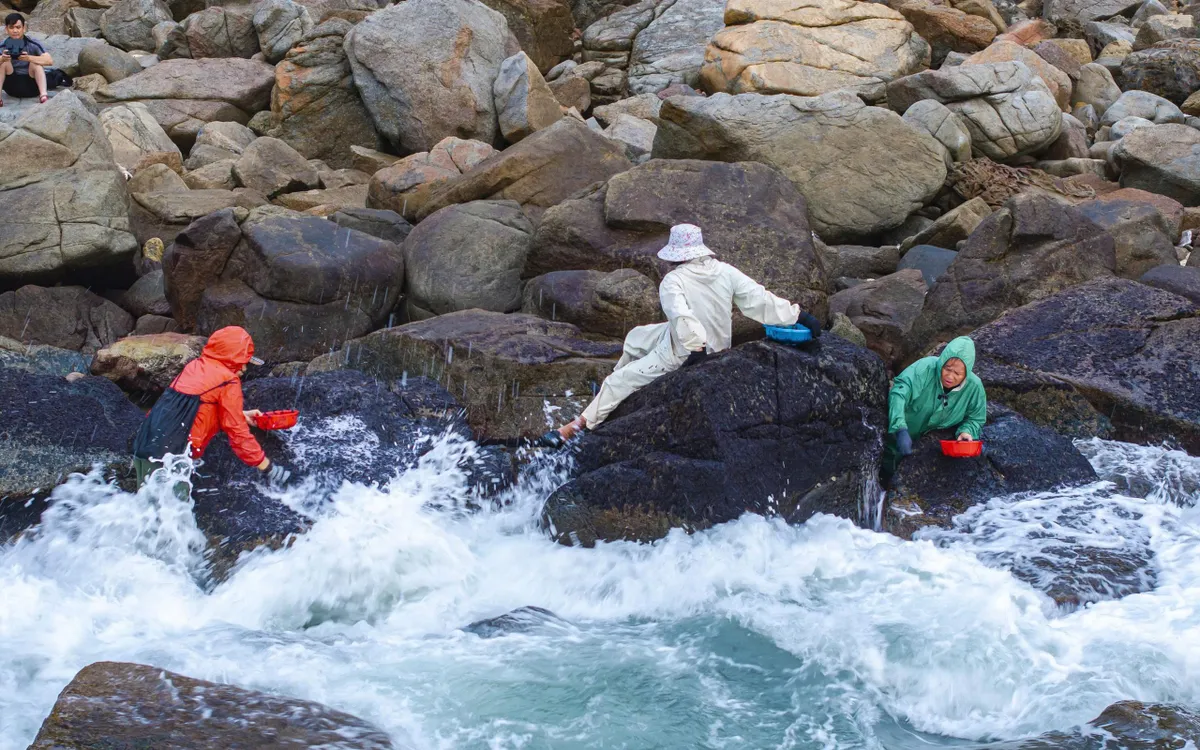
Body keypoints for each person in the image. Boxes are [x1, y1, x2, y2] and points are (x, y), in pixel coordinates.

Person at [541, 223, 822, 446]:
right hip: (707, 342)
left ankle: (574, 427)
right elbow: (758, 299)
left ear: (676, 254)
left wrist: (696, 352)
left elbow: (683, 318)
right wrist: (797, 315)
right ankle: (611, 396)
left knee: (618, 381)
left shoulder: (673, 281)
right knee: (637, 337)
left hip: (684, 351)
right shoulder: (725, 271)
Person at [131, 326, 293, 490]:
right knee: (171, 511)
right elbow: (237, 431)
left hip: (146, 444)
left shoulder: (195, 366)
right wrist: (267, 466)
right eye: (243, 362)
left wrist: (241, 414)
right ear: (233, 359)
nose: (244, 369)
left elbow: (195, 408)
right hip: (172, 457)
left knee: (146, 506)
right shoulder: (228, 381)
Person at [883, 335, 987, 484]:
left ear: (967, 373)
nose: (950, 376)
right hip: (895, 434)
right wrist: (899, 428)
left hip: (924, 448)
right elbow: (899, 393)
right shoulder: (924, 368)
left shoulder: (974, 387)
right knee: (884, 473)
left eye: (957, 374)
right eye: (947, 368)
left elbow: (976, 417)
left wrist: (967, 431)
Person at [0, 14, 53, 105]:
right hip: (12, 87)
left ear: (24, 28)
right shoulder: (3, 45)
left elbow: (49, 61)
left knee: (35, 63)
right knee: (3, 63)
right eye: (11, 27)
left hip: (32, 86)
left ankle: (43, 95)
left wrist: (28, 58)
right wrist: (2, 58)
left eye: (18, 27)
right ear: (6, 29)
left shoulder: (32, 43)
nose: (15, 31)